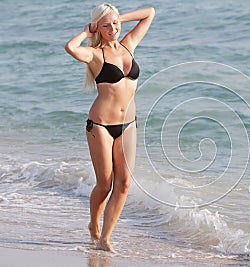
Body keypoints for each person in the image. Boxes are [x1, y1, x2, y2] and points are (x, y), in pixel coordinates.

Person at [65, 3, 155, 252]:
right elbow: (71, 48)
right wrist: (87, 31)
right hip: (101, 126)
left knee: (124, 184)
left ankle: (105, 238)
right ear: (99, 28)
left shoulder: (129, 44)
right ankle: (93, 223)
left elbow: (150, 13)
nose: (112, 28)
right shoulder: (95, 55)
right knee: (105, 185)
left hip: (127, 125)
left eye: (114, 24)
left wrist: (117, 18)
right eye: (106, 25)